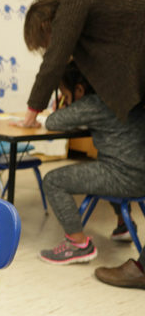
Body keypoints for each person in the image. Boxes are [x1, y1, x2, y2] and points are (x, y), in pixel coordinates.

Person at [39, 62, 145, 265]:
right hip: (140, 176)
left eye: (67, 96)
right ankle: (124, 224)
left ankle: (78, 244)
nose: (67, 101)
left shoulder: (94, 103)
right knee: (106, 163)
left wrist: (61, 108)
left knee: (53, 181)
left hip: (123, 178)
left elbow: (53, 122)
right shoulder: (121, 94)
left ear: (79, 89)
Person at [15, 0, 145, 128]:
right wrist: (68, 92)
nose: (49, 48)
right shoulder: (87, 19)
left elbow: (54, 62)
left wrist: (31, 115)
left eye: (46, 44)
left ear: (45, 25)